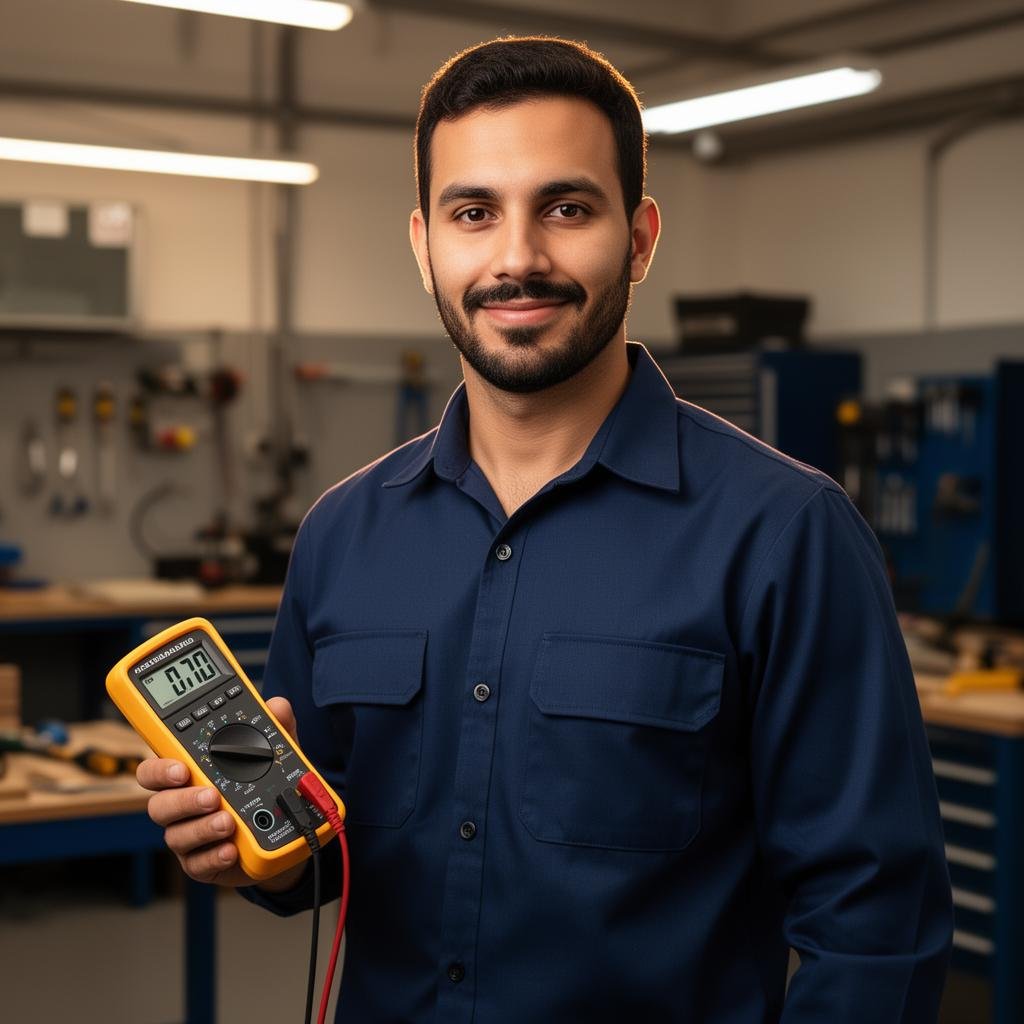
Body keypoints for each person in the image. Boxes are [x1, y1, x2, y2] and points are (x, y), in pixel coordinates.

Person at [138, 36, 953, 1022]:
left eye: (566, 208)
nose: (517, 258)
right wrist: (251, 854)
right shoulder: (343, 534)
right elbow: (336, 850)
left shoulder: (785, 532)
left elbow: (875, 928)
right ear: (423, 245)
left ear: (641, 237)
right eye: (472, 213)